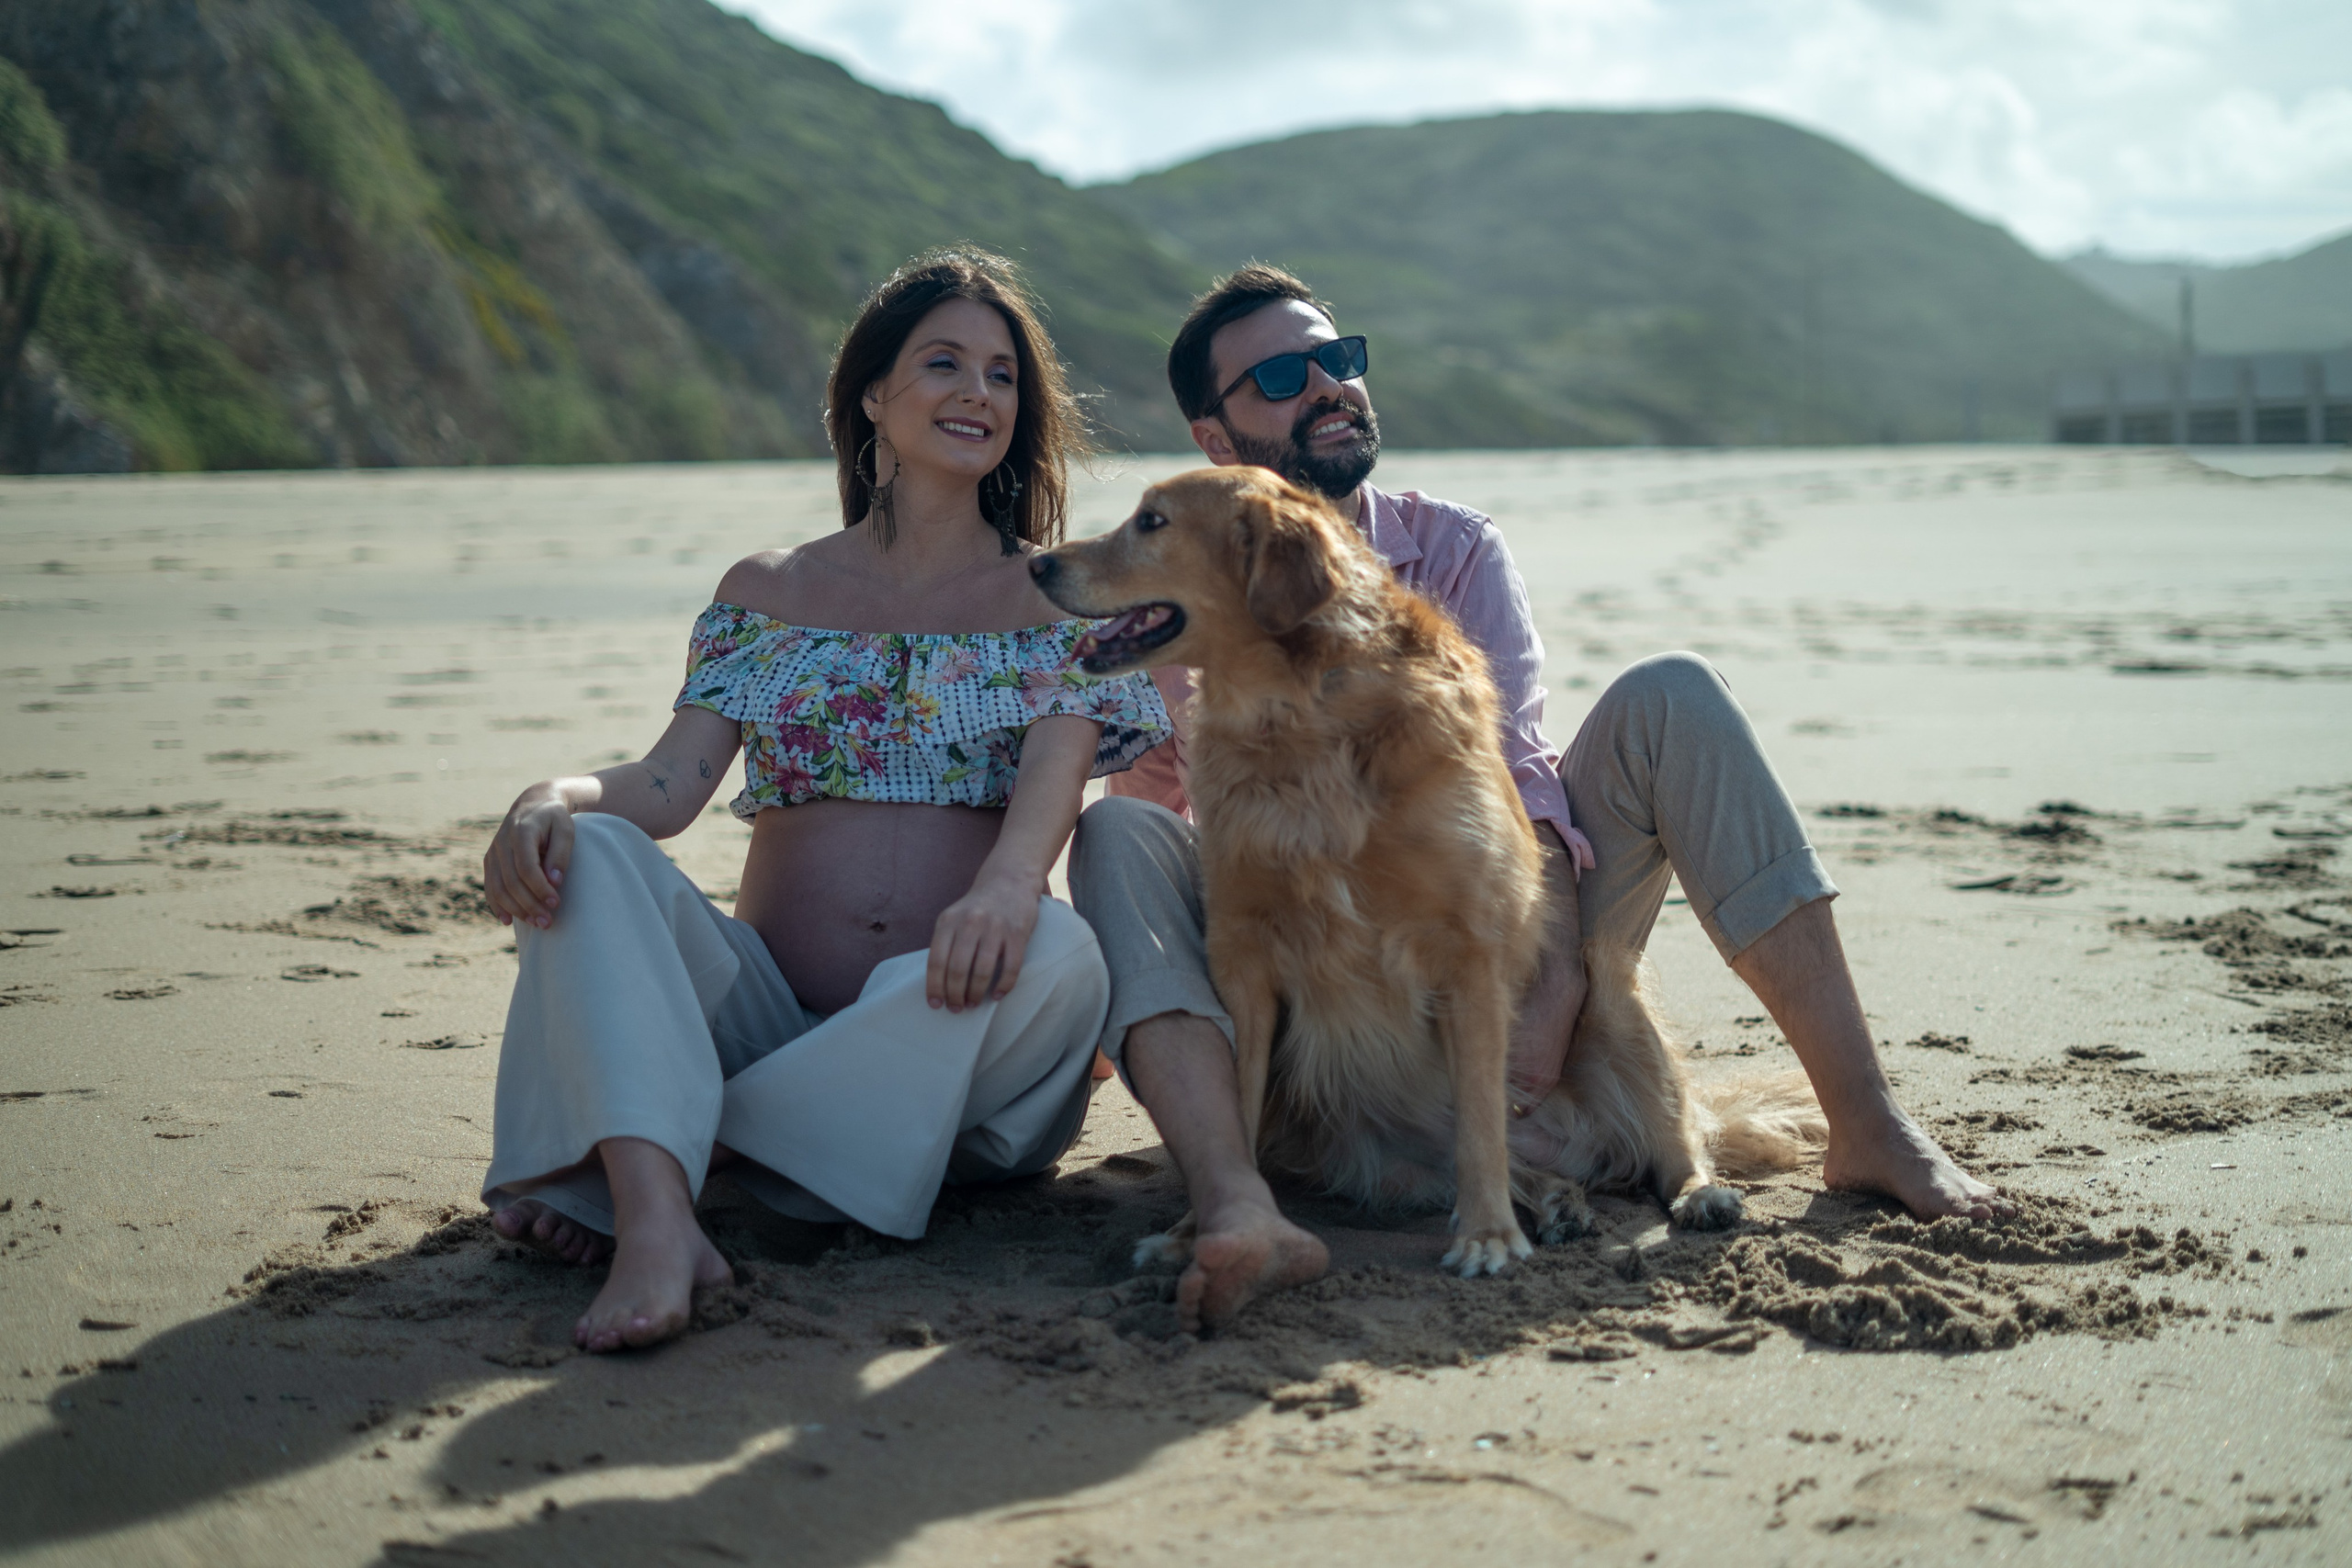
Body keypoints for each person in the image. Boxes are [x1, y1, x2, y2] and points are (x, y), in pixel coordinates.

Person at [1069, 265, 2007, 1333]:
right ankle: (1237, 1190)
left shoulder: (1453, 546)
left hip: (1497, 915)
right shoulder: (1169, 592)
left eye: (1338, 358)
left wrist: (1555, 974)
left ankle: (1865, 1121)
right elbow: (1159, 819)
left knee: (1675, 693)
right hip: (1322, 982)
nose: (1327, 386)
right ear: (1216, 439)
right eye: (1284, 377)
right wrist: (1118, 1023)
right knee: (1118, 825)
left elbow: (1512, 770)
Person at [476, 250, 1170, 1353]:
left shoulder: (1056, 597)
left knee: (1060, 949)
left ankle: (679, 1142)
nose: (978, 393)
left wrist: (1004, 889)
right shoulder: (770, 591)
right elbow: (665, 788)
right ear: (871, 397)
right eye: (943, 364)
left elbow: (1043, 812)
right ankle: (658, 1223)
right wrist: (547, 795)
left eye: (1001, 376)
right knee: (592, 851)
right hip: (765, 1023)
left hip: (960, 1057)